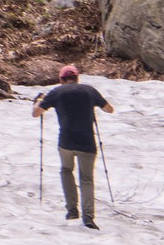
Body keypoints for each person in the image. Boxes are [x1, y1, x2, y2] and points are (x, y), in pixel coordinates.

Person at [33, 64, 114, 228]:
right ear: (77, 78)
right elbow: (109, 109)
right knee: (86, 179)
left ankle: (72, 209)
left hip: (66, 141)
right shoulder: (89, 90)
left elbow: (36, 113)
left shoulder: (56, 92)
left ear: (61, 79)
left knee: (66, 170)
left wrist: (39, 101)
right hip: (87, 142)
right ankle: (88, 217)